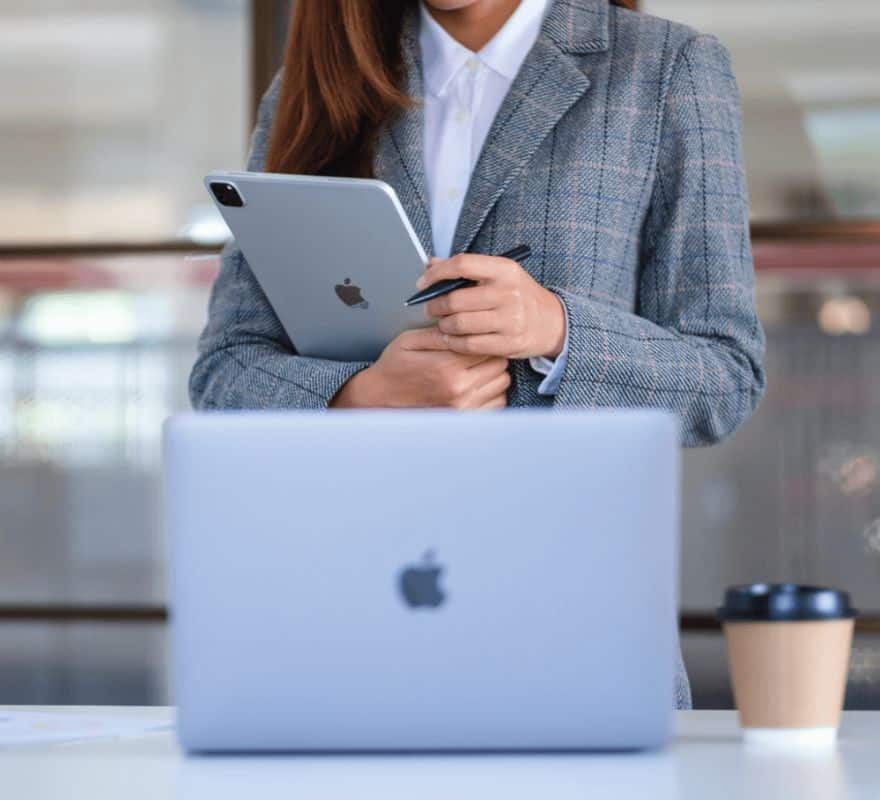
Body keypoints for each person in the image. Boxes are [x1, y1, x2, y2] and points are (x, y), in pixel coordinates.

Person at [190, 0, 766, 708]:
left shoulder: (665, 68)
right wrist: (361, 397)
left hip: (573, 637)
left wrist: (557, 328)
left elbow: (725, 378)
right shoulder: (317, 85)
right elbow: (223, 371)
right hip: (348, 627)